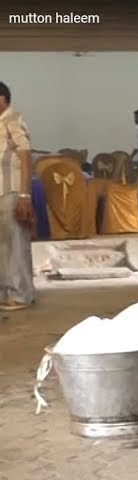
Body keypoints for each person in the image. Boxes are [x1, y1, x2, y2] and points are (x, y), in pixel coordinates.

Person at [0, 81, 35, 311]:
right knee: (4, 244)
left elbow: (25, 156)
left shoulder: (12, 119)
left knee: (15, 243)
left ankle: (21, 293)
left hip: (12, 191)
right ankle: (7, 292)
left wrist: (24, 195)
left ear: (2, 98)